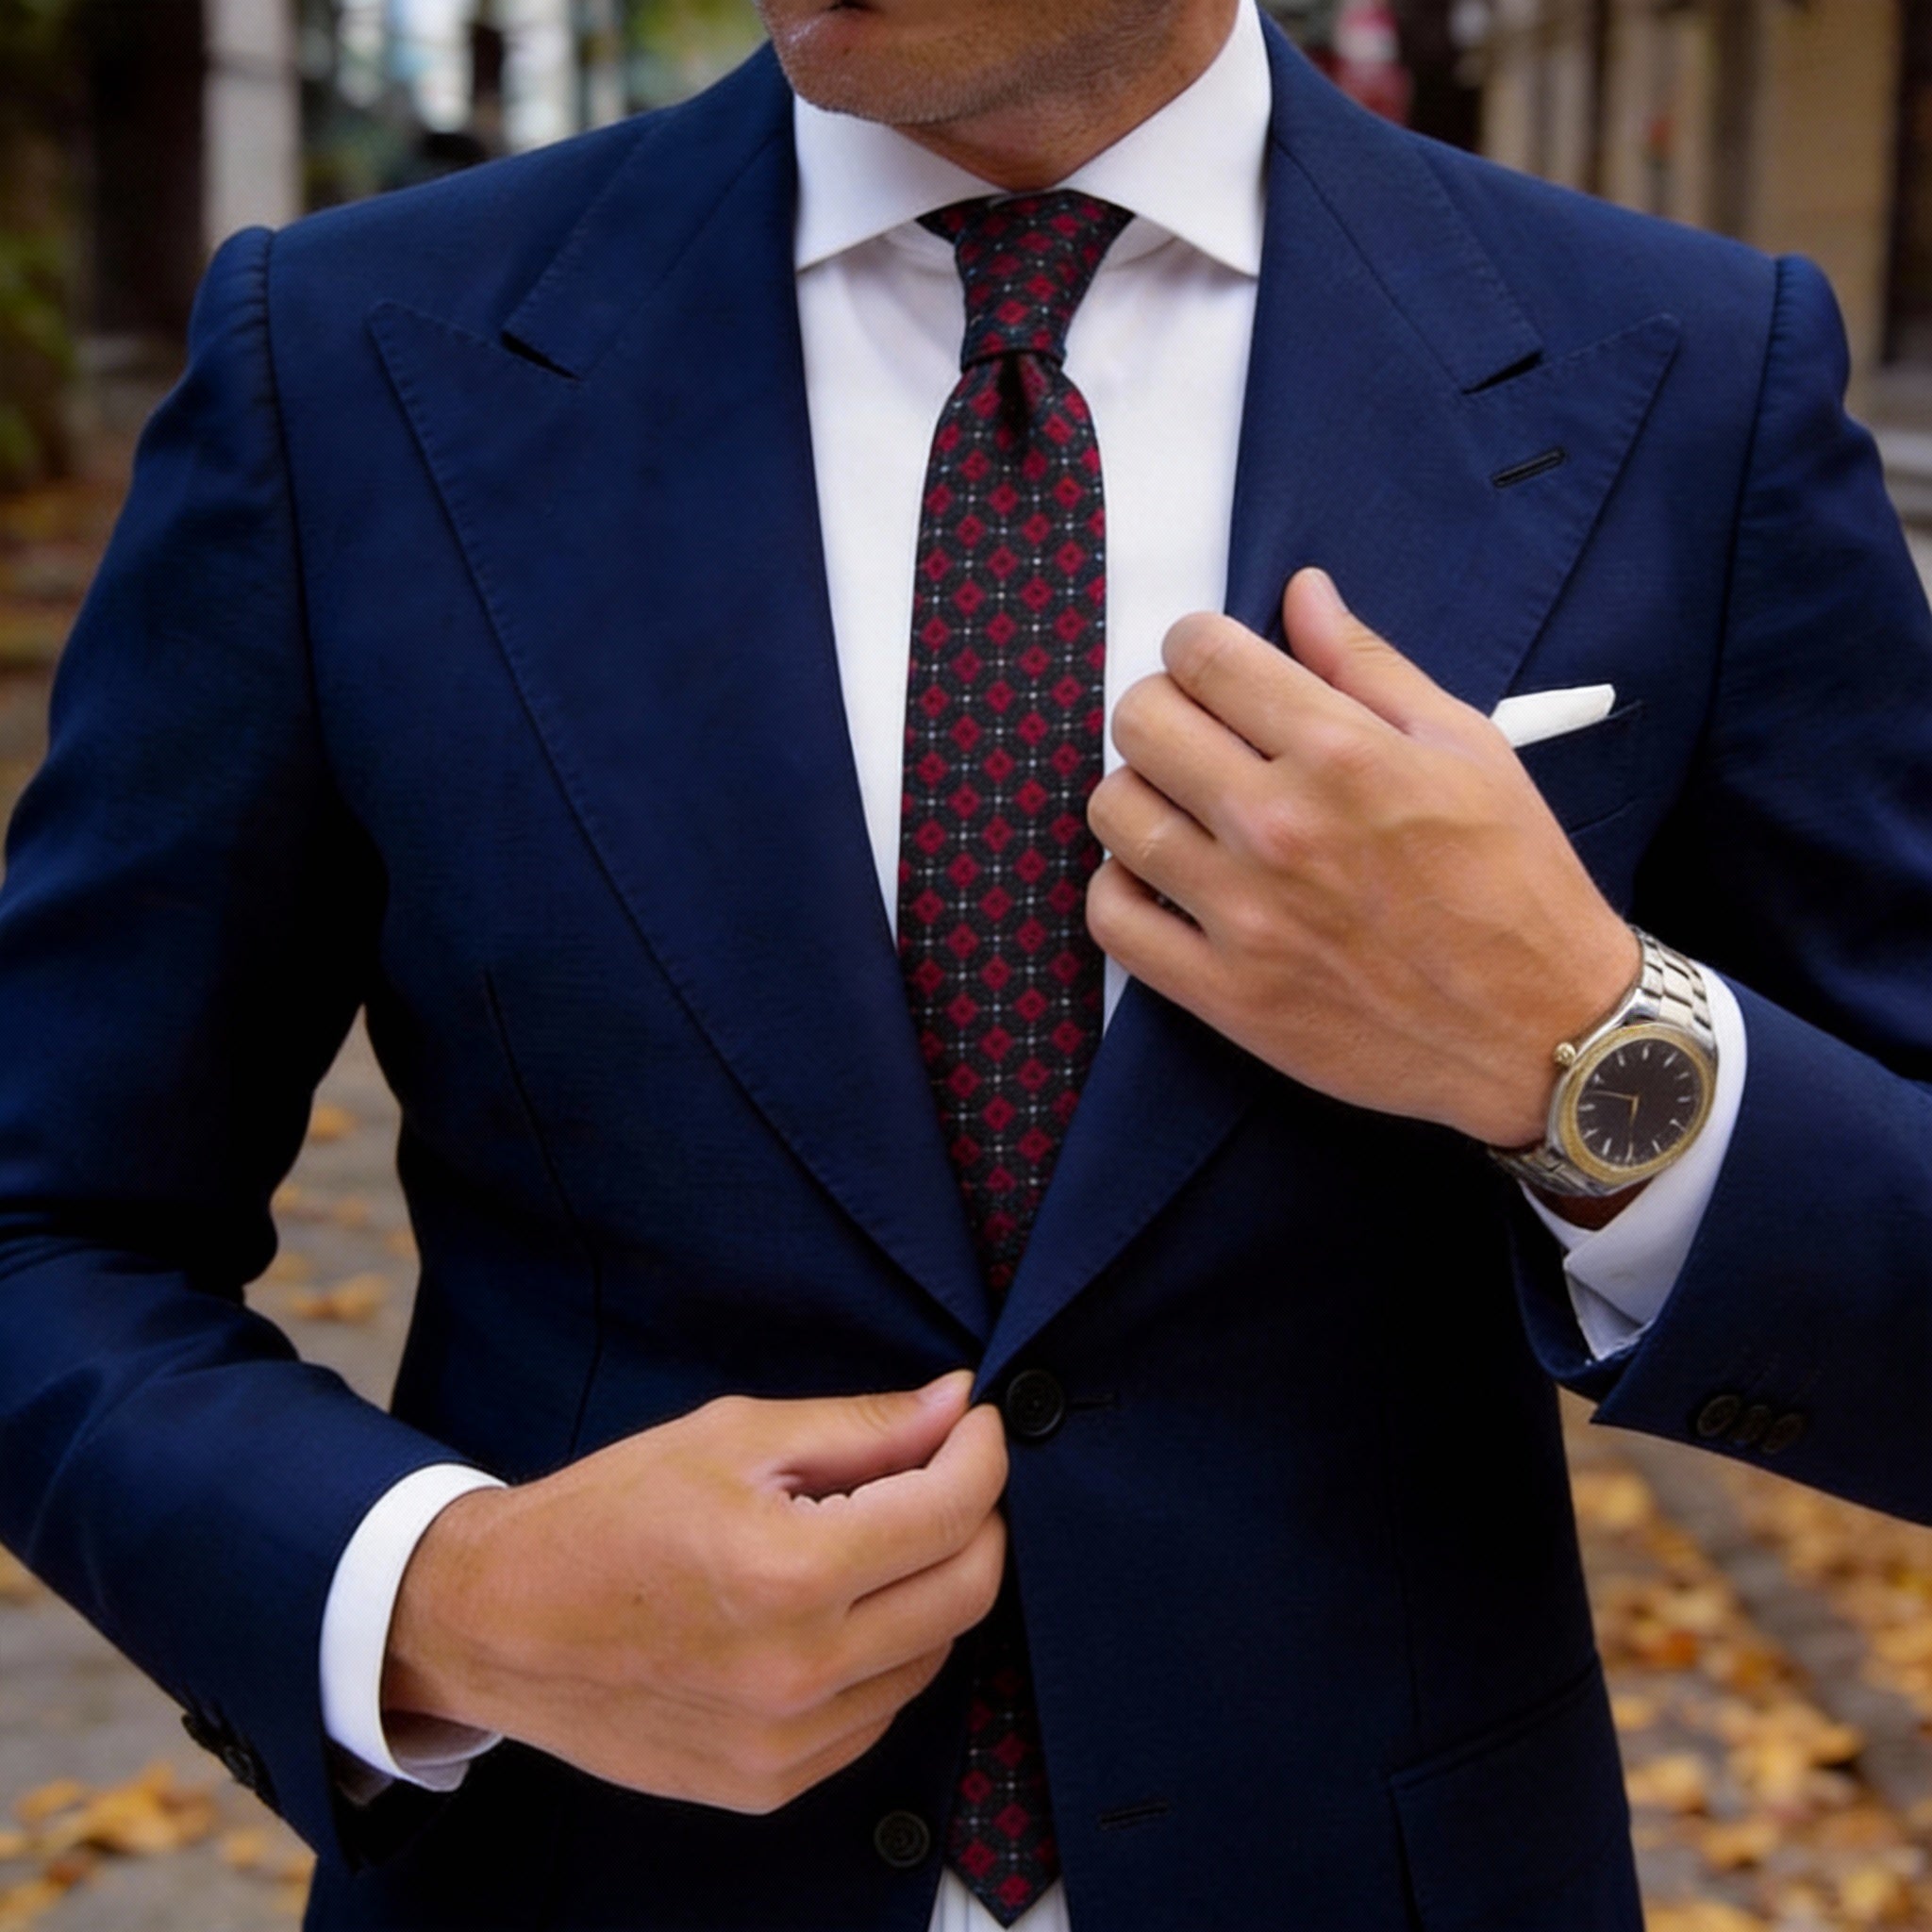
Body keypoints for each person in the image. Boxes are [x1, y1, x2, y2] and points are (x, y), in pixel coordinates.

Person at [1, 0, 1929, 1925]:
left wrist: (1578, 1046)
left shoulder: (1685, 373)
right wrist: (437, 1596)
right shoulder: (344, 358)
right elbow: (47, 1224)